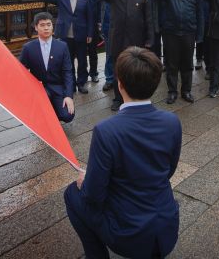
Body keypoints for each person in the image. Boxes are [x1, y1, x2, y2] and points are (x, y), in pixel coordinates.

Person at [64, 47, 181, 259]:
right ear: (155, 83)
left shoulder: (106, 130)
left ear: (120, 84)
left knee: (73, 194)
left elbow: (93, 195)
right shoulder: (172, 122)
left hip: (129, 235)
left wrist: (86, 181)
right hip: (167, 229)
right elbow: (169, 171)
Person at [93, 0, 153, 111]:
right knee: (118, 70)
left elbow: (149, 19)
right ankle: (118, 98)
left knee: (135, 69)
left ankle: (135, 97)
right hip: (117, 39)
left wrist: (149, 39)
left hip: (136, 39)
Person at [153, 0, 204, 104]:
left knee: (187, 64)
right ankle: (172, 91)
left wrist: (199, 34)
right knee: (171, 64)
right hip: (170, 33)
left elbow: (199, 14)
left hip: (188, 32)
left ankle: (186, 91)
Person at [43, 0, 94, 93]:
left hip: (81, 33)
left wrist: (90, 34)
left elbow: (90, 17)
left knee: (82, 60)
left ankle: (81, 83)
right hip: (64, 34)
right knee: (67, 61)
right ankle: (70, 84)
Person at [19, 12, 75, 122]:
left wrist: (68, 96)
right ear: (36, 27)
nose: (46, 28)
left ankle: (53, 111)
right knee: (41, 113)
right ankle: (44, 112)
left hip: (58, 87)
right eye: (42, 25)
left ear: (52, 26)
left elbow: (67, 72)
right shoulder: (28, 48)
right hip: (39, 88)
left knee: (68, 116)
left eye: (49, 25)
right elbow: (21, 71)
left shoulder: (62, 46)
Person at [76, 0, 101, 82]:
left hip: (93, 21)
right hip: (79, 22)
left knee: (93, 50)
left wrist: (99, 21)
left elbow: (101, 4)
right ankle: (83, 74)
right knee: (80, 51)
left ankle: (94, 73)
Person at [100, 0, 121, 92]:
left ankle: (122, 79)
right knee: (109, 54)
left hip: (123, 27)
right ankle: (109, 79)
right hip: (108, 26)